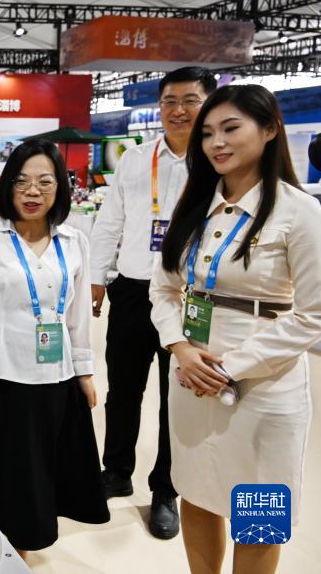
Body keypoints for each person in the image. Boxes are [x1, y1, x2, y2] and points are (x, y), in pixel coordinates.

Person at [151, 84, 320, 574]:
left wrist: (231, 367)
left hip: (265, 386)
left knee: (258, 510)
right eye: (207, 133)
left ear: (269, 130)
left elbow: (313, 315)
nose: (216, 143)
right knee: (196, 490)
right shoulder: (194, 206)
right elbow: (163, 289)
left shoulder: (299, 211)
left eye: (230, 129)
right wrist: (180, 348)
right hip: (191, 378)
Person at [0, 140, 109, 562]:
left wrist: (84, 371)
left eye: (44, 181)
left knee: (35, 475)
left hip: (52, 377)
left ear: (60, 187)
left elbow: (78, 314)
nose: (32, 191)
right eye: (21, 182)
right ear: (7, 186)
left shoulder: (75, 241)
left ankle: (18, 554)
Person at [90, 66, 217, 539]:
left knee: (176, 397)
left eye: (190, 100)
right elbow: (110, 219)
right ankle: (116, 471)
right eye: (169, 101)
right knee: (123, 389)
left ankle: (166, 490)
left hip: (190, 297)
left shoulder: (217, 161)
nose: (178, 110)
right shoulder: (136, 158)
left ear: (208, 103)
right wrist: (98, 277)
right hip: (132, 290)